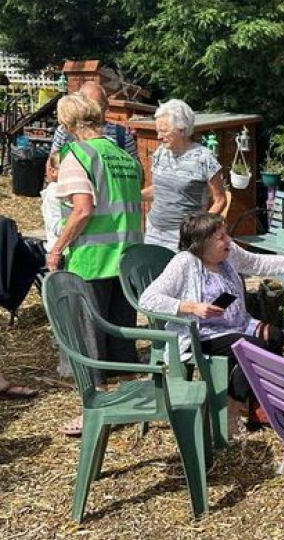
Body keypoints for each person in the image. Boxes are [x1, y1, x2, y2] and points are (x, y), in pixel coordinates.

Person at [139, 212, 284, 432]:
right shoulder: (184, 262)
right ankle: (230, 407)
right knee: (252, 348)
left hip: (237, 324)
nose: (228, 241)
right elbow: (147, 300)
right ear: (201, 243)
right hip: (201, 333)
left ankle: (257, 405)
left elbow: (255, 262)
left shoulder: (228, 253)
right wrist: (193, 307)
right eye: (220, 238)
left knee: (275, 336)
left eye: (226, 235)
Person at [46, 93, 144, 435]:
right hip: (127, 258)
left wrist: (57, 247)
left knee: (87, 338)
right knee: (120, 333)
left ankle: (95, 411)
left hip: (91, 260)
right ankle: (133, 401)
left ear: (67, 124)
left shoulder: (77, 155)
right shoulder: (122, 156)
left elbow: (83, 210)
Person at [142, 99, 226, 251]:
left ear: (181, 129)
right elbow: (160, 189)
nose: (159, 137)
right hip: (153, 231)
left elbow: (220, 200)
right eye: (158, 131)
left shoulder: (204, 157)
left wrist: (199, 229)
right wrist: (128, 195)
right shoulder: (160, 153)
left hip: (183, 235)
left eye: (164, 131)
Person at [46, 81, 138, 180]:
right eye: (88, 104)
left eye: (98, 104)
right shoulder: (64, 131)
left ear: (107, 106)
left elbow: (135, 172)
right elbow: (53, 165)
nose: (93, 109)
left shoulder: (121, 134)